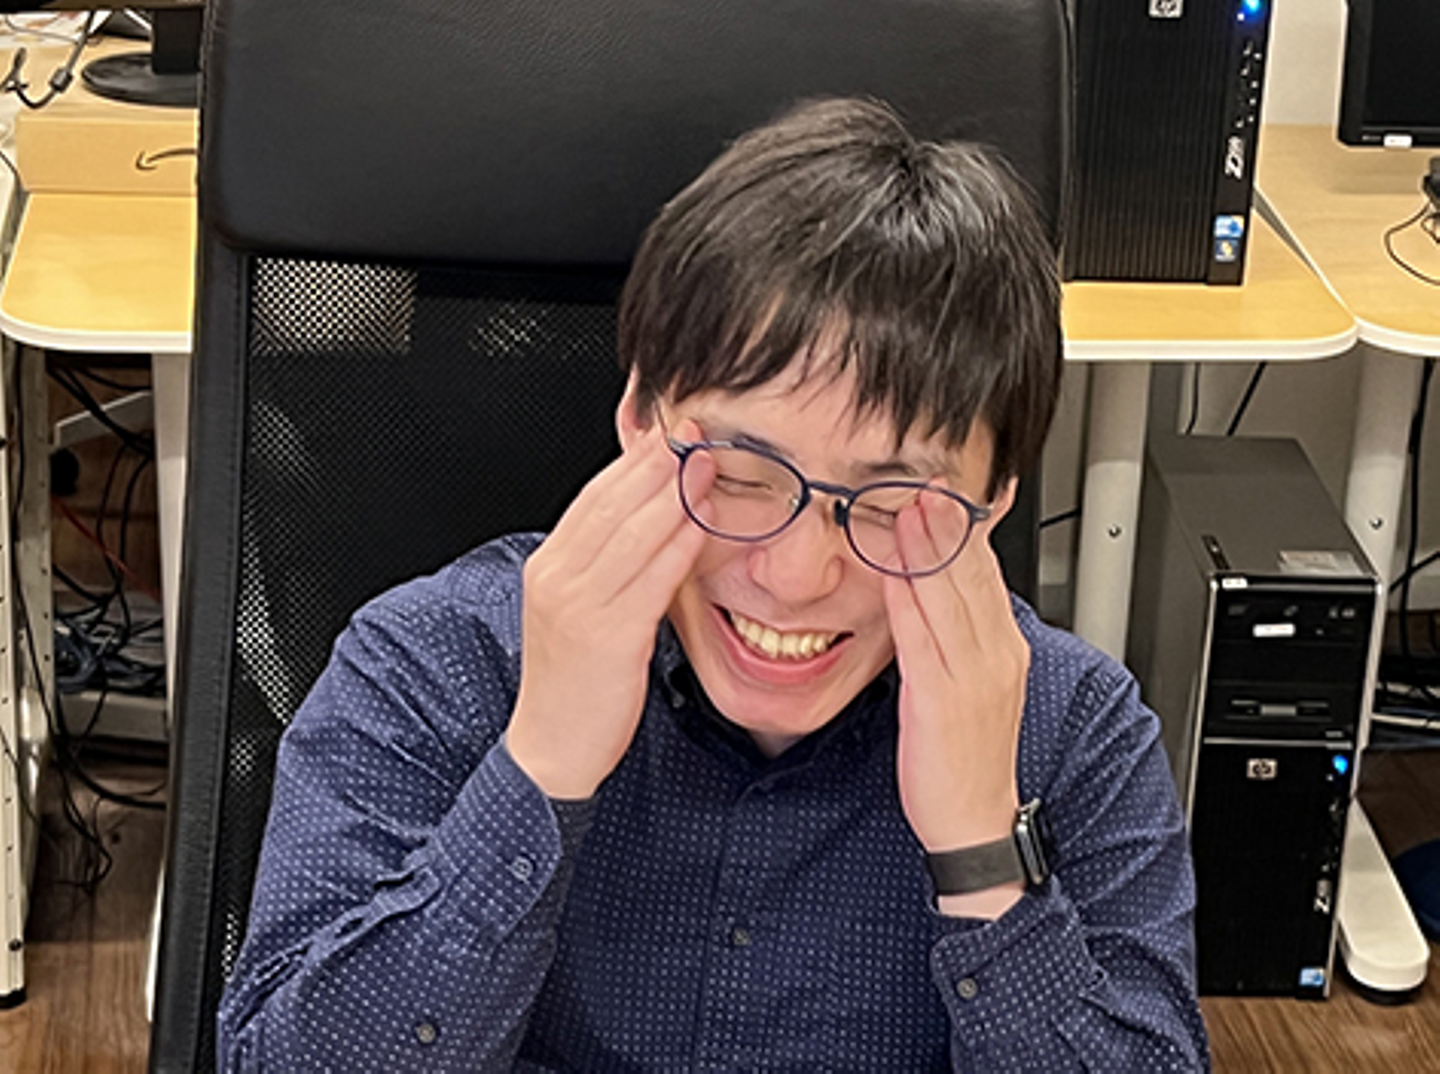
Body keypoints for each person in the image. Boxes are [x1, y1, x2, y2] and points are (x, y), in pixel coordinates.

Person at [217, 97, 1209, 1071]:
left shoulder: (1073, 730)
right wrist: (542, 765)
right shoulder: (437, 660)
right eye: (739, 474)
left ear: (993, 503)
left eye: (891, 502)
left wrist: (984, 857)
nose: (796, 575)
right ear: (639, 417)